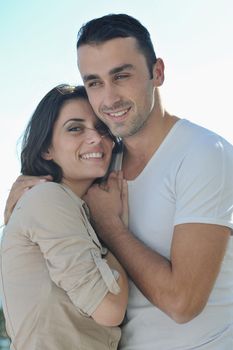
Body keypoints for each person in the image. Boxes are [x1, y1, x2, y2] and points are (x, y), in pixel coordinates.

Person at [4, 13, 233, 349]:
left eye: (121, 76)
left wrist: (111, 227)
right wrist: (20, 198)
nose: (108, 99)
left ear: (157, 73)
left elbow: (182, 304)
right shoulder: (103, 165)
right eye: (94, 82)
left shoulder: (203, 154)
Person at [0, 84, 128, 350]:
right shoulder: (48, 198)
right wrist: (110, 226)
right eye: (75, 128)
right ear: (47, 148)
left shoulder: (69, 207)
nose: (96, 137)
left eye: (101, 127)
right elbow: (109, 308)